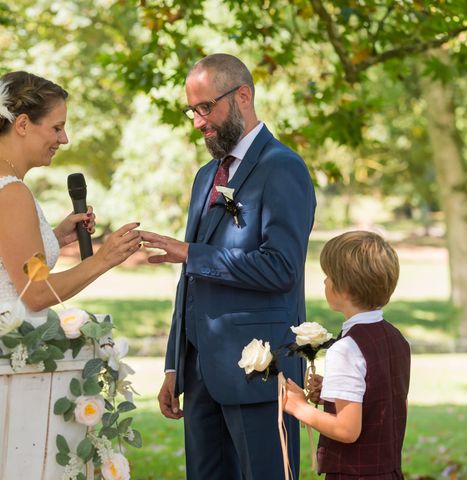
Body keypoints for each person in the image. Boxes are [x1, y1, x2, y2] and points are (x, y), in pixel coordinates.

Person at [141, 54, 316, 479]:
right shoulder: (205, 176)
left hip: (258, 371)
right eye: (193, 110)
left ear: (243, 95)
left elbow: (280, 268)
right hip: (200, 375)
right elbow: (191, 284)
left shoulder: (283, 168)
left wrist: (191, 253)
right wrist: (173, 365)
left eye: (206, 107)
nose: (198, 121)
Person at [0, 71, 141, 322]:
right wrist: (103, 258)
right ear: (22, 124)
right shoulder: (11, 191)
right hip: (11, 343)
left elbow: (1, 266)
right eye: (57, 128)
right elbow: (36, 294)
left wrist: (56, 238)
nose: (64, 139)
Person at [283, 231, 411, 480]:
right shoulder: (397, 338)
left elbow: (347, 429)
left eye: (329, 276)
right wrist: (332, 392)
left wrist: (298, 407)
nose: (324, 282)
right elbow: (381, 399)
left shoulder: (346, 348)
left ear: (345, 288)